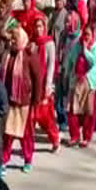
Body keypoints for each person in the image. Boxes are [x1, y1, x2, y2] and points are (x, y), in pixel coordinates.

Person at [0, 24, 41, 174]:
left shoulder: (30, 55)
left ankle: (28, 159)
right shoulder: (8, 54)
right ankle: (3, 161)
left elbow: (37, 79)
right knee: (8, 133)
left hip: (25, 102)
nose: (12, 42)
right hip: (10, 101)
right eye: (12, 39)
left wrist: (37, 100)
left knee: (26, 134)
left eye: (15, 39)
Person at [63, 26, 96, 148]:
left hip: (90, 83)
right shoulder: (76, 46)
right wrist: (66, 73)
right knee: (72, 111)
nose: (86, 37)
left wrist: (85, 50)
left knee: (89, 112)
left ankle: (86, 137)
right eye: (84, 34)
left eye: (88, 35)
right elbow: (70, 60)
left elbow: (93, 62)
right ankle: (74, 135)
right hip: (76, 81)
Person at [30, 18, 61, 154]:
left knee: (45, 116)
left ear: (45, 27)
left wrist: (48, 84)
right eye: (36, 26)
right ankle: (29, 146)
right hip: (33, 84)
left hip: (44, 84)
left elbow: (51, 65)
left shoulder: (49, 43)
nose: (38, 29)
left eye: (40, 26)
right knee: (31, 116)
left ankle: (55, 139)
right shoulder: (33, 43)